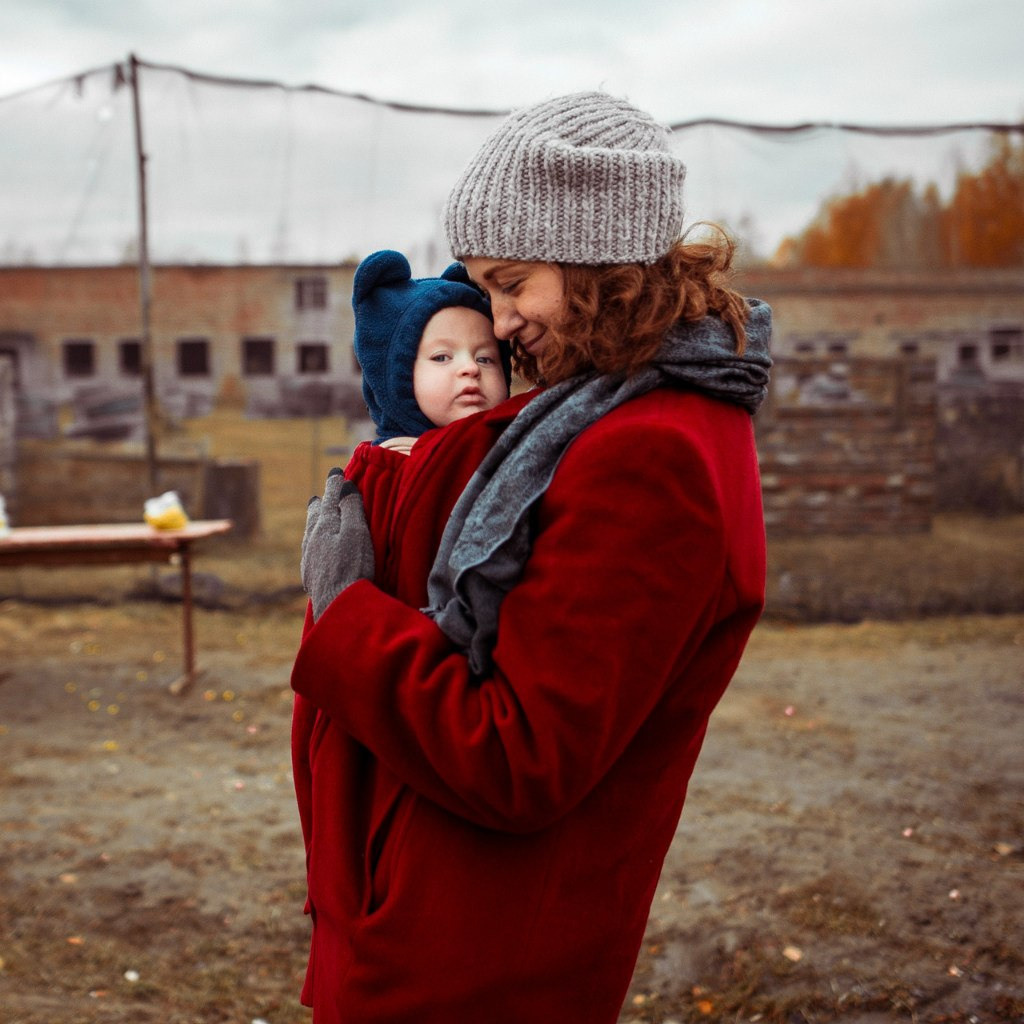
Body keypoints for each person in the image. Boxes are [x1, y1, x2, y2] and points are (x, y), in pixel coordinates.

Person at [292, 91, 773, 1024]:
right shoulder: (610, 412)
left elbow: (517, 756)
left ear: (596, 256)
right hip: (451, 915)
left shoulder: (652, 454)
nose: (498, 320)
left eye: (513, 282)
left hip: (481, 953)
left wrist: (347, 606)